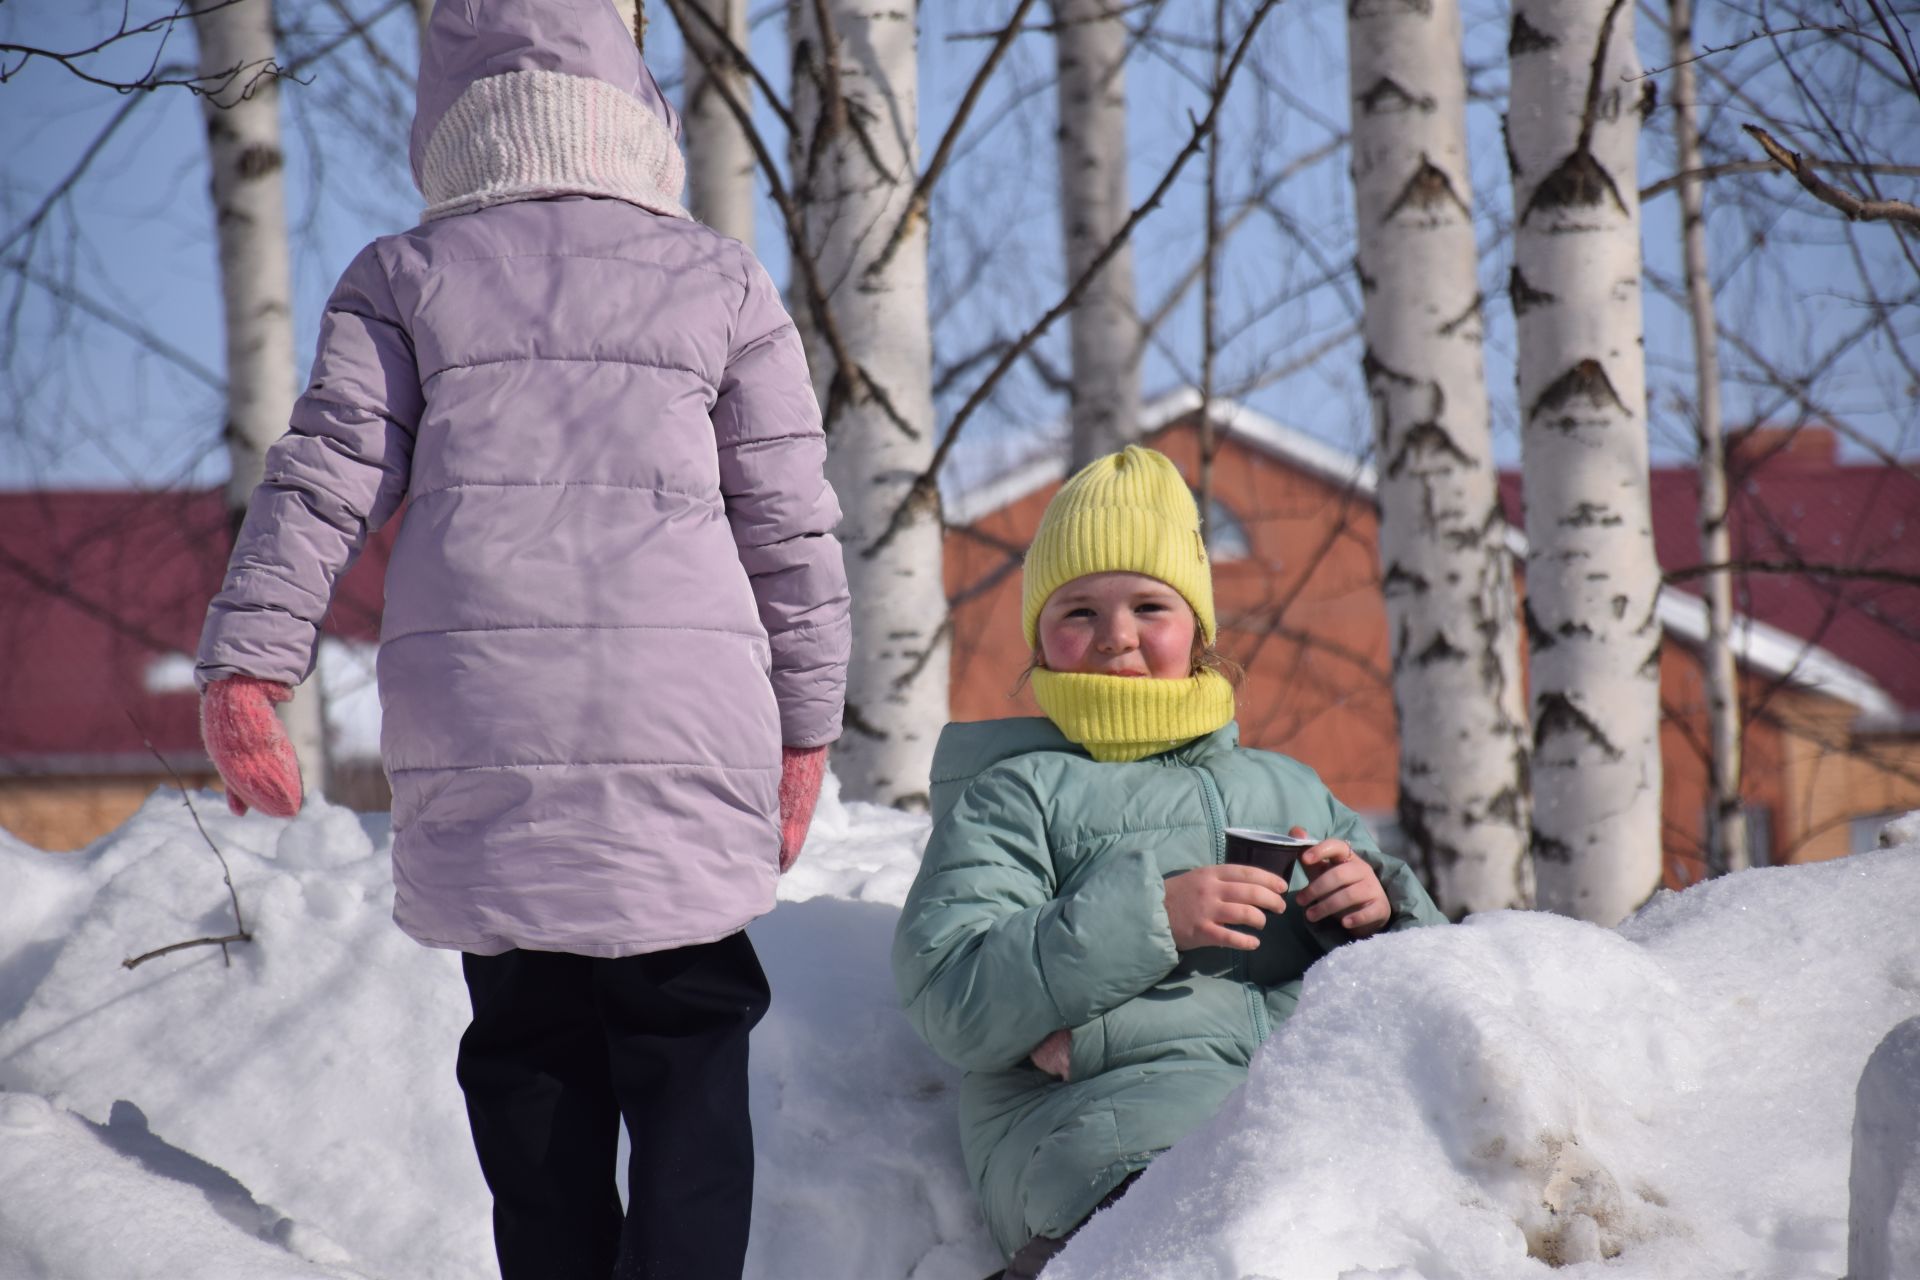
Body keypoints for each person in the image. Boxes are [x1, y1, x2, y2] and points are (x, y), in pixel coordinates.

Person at [193, 3, 850, 1277]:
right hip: (684, 724)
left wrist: (251, 661)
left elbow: (323, 478)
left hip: (485, 727)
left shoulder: (406, 276)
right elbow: (792, 526)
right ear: (639, 104)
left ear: (443, 119)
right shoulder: (718, 278)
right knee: (689, 1040)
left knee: (531, 1044)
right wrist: (808, 725)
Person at [890, 446, 1446, 1278]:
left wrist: (1380, 910)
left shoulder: (1285, 784)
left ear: (1199, 629)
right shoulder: (1015, 795)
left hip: (1307, 1124)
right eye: (1078, 610)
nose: (1116, 637)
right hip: (1110, 1143)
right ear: (1037, 637)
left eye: (1150, 604)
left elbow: (1435, 983)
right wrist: (1150, 918)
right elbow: (952, 993)